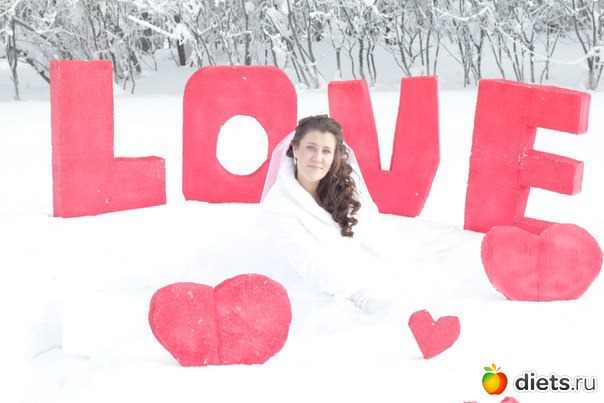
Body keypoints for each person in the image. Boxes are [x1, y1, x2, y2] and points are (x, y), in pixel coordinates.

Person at [260, 115, 415, 314]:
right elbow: (309, 262)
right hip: (318, 285)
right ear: (296, 149)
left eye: (326, 151)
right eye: (310, 148)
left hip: (362, 270)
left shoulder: (344, 182)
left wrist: (396, 258)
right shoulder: (277, 205)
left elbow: (370, 225)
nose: (318, 158)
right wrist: (359, 294)